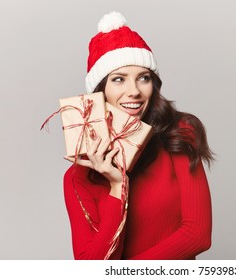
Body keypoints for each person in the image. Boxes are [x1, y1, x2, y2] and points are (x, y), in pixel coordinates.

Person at [63, 11, 214, 260]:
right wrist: (117, 185)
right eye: (119, 80)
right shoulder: (77, 177)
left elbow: (197, 235)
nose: (134, 91)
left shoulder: (179, 133)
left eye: (143, 78)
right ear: (100, 91)